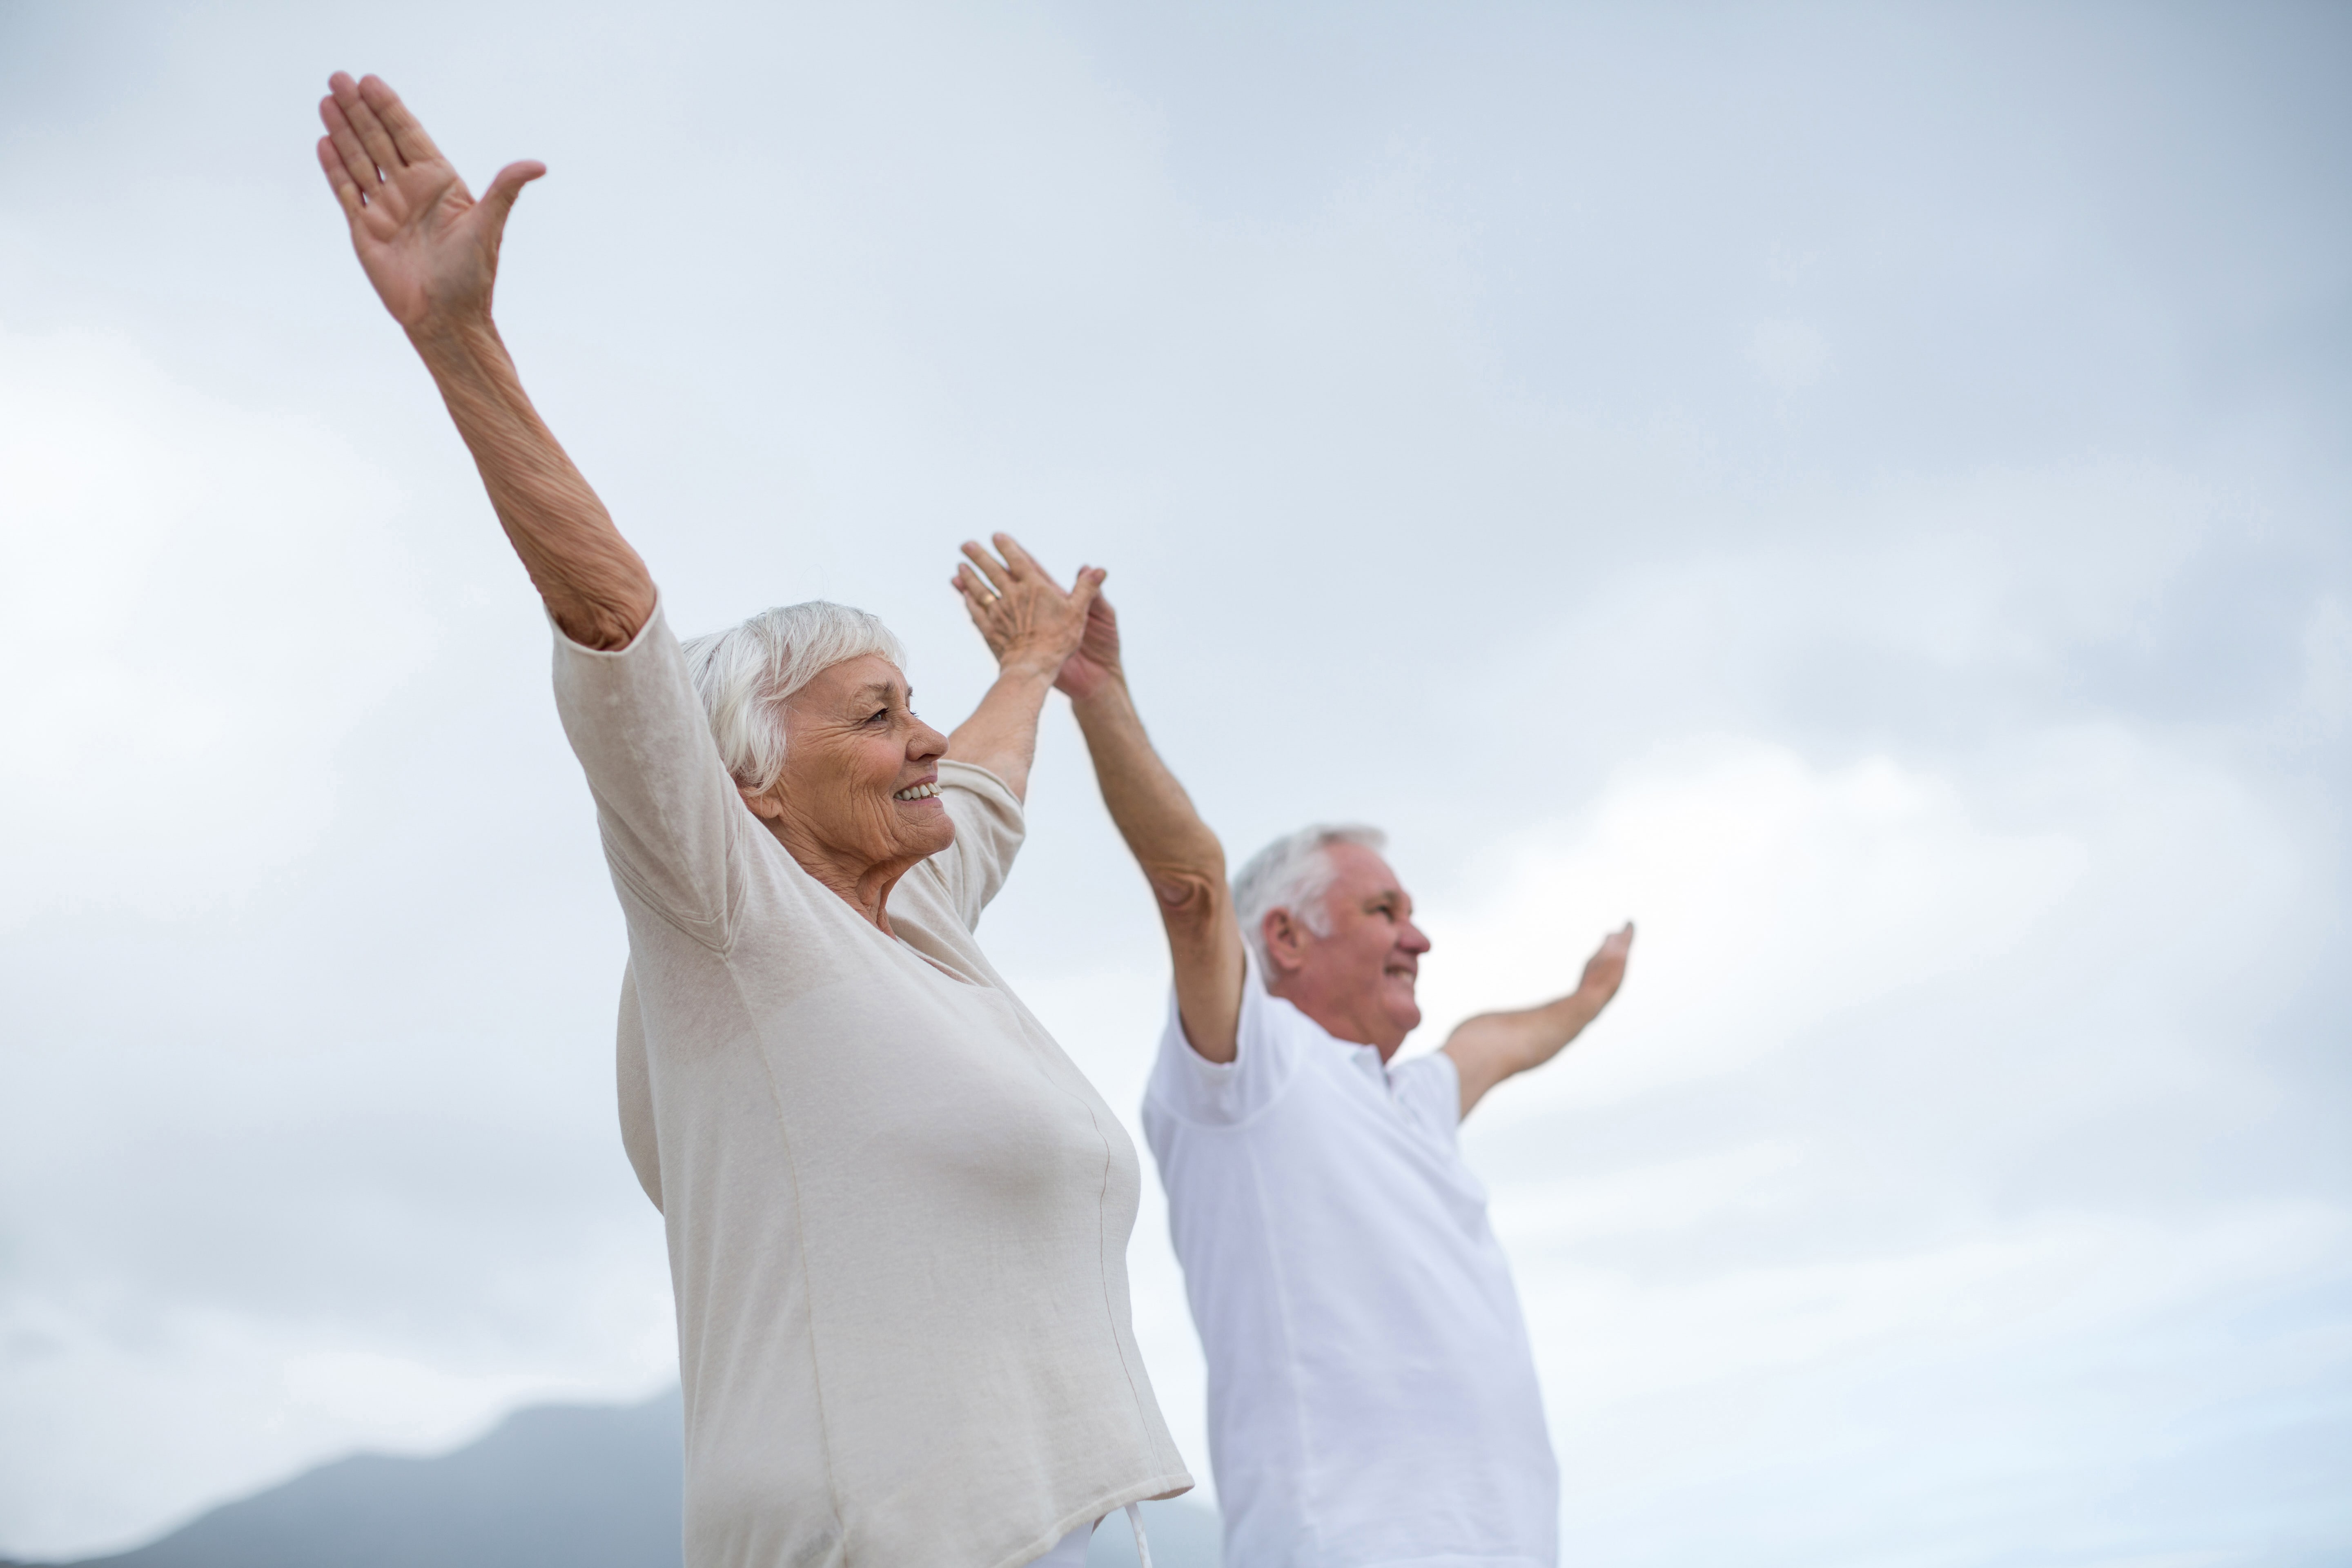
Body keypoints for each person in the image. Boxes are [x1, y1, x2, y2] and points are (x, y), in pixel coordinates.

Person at [316, 73, 1188, 1568]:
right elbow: (610, 618)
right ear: (746, 786)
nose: (919, 739)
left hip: (1079, 1525)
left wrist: (1037, 665)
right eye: (871, 713)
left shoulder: (907, 917)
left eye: (913, 703)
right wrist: (461, 342)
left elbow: (976, 778)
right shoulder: (726, 911)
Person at [951, 564, 1633, 1568]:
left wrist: (1585, 1000)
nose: (1421, 939)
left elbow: (1494, 1039)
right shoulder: (1250, 1073)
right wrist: (1099, 694)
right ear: (1287, 938)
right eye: (1384, 913)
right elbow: (1190, 884)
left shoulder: (1417, 1099)